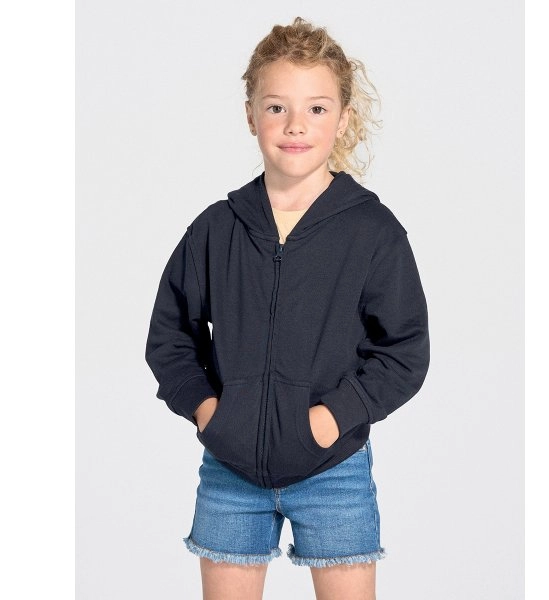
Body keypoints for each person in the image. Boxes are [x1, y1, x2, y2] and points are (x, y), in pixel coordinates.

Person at [145, 16, 430, 600]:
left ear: (343, 118)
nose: (296, 124)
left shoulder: (373, 232)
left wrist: (331, 419)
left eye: (317, 108)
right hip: (230, 472)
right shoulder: (216, 229)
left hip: (334, 470)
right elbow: (170, 334)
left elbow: (403, 350)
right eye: (277, 107)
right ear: (251, 115)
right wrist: (209, 411)